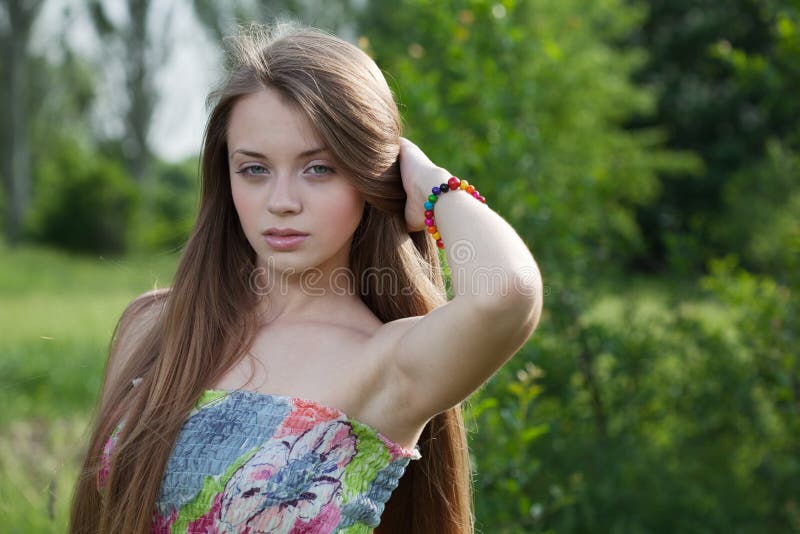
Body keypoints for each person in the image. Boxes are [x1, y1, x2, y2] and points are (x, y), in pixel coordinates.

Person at [68, 20, 542, 534]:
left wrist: (430, 184)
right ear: (224, 178)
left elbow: (508, 292)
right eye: (254, 169)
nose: (282, 202)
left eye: (319, 169)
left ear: (369, 177)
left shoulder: (386, 362)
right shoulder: (155, 325)